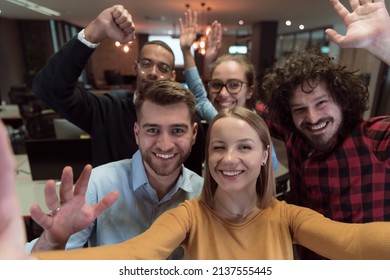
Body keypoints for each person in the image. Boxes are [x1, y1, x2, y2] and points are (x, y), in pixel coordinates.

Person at [24, 106, 390, 260]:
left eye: (244, 147)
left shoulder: (289, 217)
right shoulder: (188, 215)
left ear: (265, 155)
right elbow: (136, 255)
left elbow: (353, 241)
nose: (229, 159)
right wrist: (38, 256)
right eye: (219, 148)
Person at [256, 0, 390, 259]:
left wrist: (387, 45)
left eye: (321, 103)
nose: (312, 117)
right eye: (300, 109)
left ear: (341, 99)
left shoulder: (375, 138)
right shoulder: (295, 132)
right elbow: (255, 111)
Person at [24, 80, 203, 259]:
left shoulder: (204, 194)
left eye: (178, 130)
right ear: (137, 133)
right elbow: (33, 265)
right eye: (153, 130)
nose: (165, 145)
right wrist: (54, 241)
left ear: (193, 134)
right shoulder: (99, 183)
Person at [32, 5, 205, 175]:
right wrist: (94, 31)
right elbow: (48, 87)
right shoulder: (106, 111)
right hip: (112, 203)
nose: (153, 72)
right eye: (146, 64)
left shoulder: (187, 122)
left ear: (172, 76)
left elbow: (194, 182)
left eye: (163, 68)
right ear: (135, 68)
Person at [178, 10, 279, 171]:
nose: (224, 94)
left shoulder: (257, 126)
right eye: (217, 85)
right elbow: (200, 97)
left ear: (250, 90)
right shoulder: (221, 118)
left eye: (234, 85)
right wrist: (186, 51)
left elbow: (271, 167)